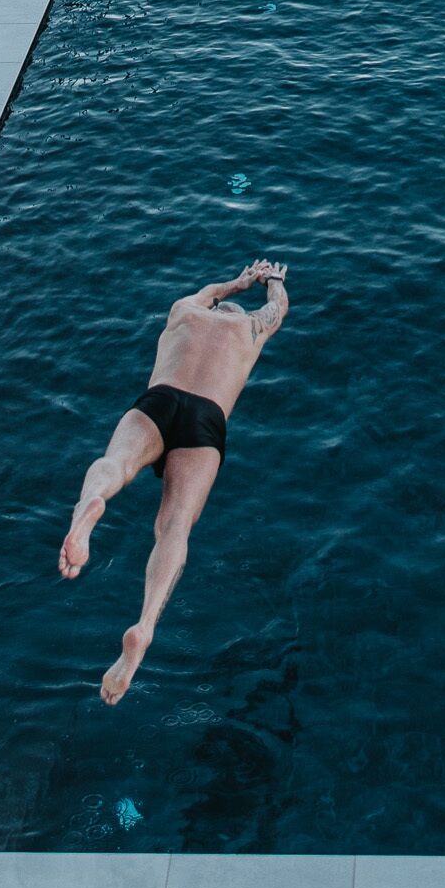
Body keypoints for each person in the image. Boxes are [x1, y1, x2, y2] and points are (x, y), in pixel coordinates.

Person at [60, 260, 290, 703]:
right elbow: (278, 307)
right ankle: (144, 625)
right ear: (238, 316)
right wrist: (271, 281)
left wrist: (235, 283)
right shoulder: (249, 332)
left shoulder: (185, 311)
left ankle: (92, 504)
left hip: (161, 399)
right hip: (206, 419)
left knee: (115, 463)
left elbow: (209, 292)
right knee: (175, 526)